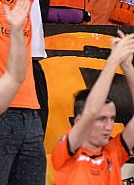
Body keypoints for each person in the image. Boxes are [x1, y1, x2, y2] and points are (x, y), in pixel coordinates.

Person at [51, 33, 134, 182]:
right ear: (78, 121)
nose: (109, 126)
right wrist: (113, 61)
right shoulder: (66, 153)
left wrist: (127, 66)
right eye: (101, 119)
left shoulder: (113, 153)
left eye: (112, 119)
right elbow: (92, 110)